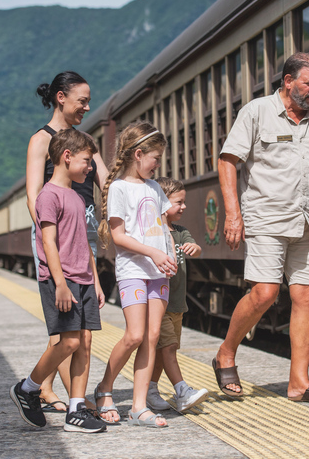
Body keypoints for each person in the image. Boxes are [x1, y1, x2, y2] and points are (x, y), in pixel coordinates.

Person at [213, 52, 309, 403]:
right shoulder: (256, 112)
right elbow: (227, 162)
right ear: (288, 81)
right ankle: (226, 353)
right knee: (265, 293)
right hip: (267, 217)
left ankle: (299, 382)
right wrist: (232, 214)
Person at [10, 129, 106, 432]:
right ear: (67, 157)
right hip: (61, 280)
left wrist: (97, 281)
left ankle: (77, 410)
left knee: (84, 343)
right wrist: (61, 283)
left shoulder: (76, 198)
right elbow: (48, 243)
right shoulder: (48, 197)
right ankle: (27, 387)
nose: (90, 168)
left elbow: (84, 244)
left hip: (84, 279)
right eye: (86, 162)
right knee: (70, 342)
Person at [26, 71, 109, 413]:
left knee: (72, 325)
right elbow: (33, 195)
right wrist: (53, 239)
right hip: (55, 236)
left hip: (83, 233)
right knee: (68, 322)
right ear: (61, 97)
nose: (87, 107)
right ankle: (62, 394)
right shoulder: (41, 140)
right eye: (82, 101)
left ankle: (45, 386)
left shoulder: (84, 141)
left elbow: (106, 181)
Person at [94, 122, 177, 428]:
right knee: (135, 335)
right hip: (133, 270)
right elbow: (119, 236)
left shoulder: (154, 188)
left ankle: (138, 407)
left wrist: (170, 253)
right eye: (155, 158)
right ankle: (105, 388)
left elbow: (164, 226)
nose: (158, 165)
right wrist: (154, 253)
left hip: (158, 273)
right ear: (138, 154)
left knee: (152, 337)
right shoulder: (118, 188)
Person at [146, 178, 209, 412]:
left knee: (166, 350)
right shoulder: (152, 234)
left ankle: (151, 390)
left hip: (177, 305)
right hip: (158, 302)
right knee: (169, 346)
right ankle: (182, 391)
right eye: (178, 202)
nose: (183, 207)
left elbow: (196, 246)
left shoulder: (181, 232)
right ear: (161, 202)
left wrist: (196, 248)